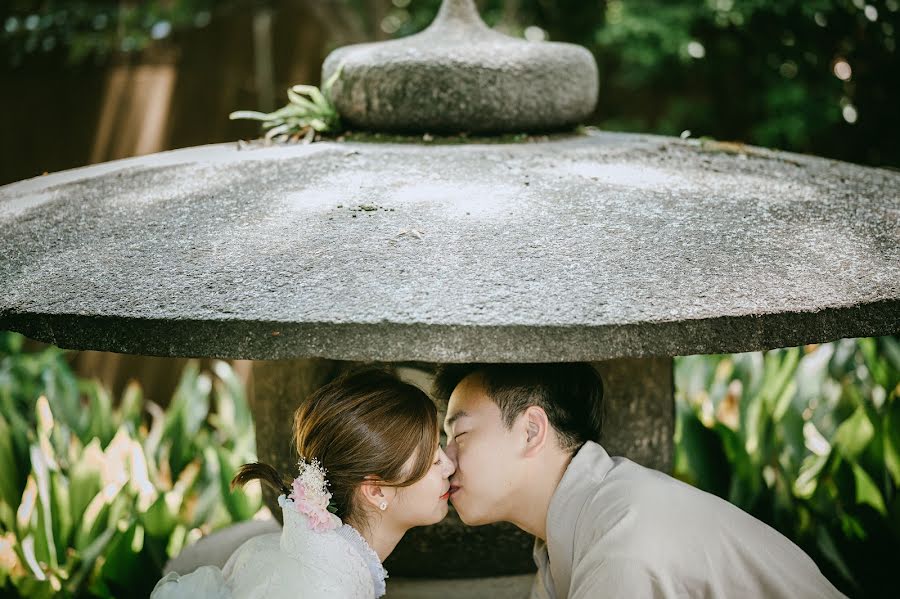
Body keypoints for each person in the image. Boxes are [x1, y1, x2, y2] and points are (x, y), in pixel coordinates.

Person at [434, 363, 846, 599]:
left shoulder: (623, 539)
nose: (445, 460)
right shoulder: (574, 535)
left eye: (461, 435)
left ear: (531, 431)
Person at [152, 368, 455, 599]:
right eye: (432, 461)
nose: (450, 466)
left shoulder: (286, 556)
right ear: (376, 491)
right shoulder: (325, 590)